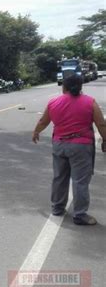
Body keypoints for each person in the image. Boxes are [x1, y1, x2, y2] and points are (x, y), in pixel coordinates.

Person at [32, 75, 106, 225]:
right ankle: (79, 215)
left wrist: (36, 132)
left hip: (59, 145)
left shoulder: (53, 102)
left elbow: (43, 121)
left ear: (63, 87)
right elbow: (101, 124)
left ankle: (57, 208)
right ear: (80, 87)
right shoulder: (89, 102)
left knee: (59, 177)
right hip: (81, 146)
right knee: (80, 181)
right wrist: (105, 139)